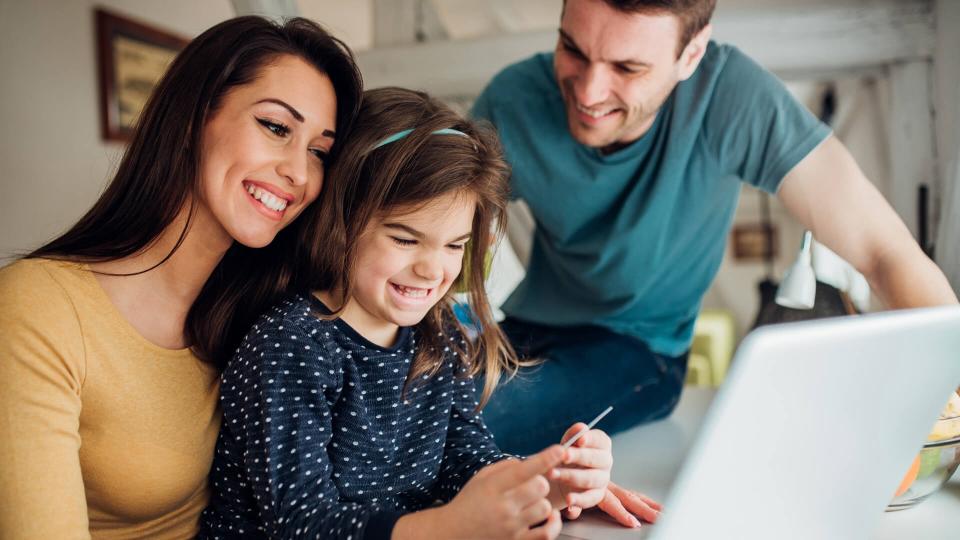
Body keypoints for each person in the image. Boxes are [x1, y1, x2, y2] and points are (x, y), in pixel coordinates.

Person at [472, 0, 958, 457]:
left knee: (473, 420)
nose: (588, 91)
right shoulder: (512, 101)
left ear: (691, 55)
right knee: (410, 395)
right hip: (522, 329)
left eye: (628, 68)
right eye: (572, 49)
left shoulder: (731, 98)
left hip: (641, 350)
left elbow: (882, 250)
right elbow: (441, 235)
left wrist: (950, 388)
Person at [199, 87, 623, 540]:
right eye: (405, 239)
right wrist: (449, 526)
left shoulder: (439, 333)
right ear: (341, 223)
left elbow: (466, 457)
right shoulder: (290, 346)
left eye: (454, 245)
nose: (431, 268)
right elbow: (301, 522)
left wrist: (547, 482)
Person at [0, 17, 362, 538]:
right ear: (195, 118)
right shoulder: (38, 308)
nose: (300, 175)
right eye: (276, 127)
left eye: (318, 152)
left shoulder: (266, 322)